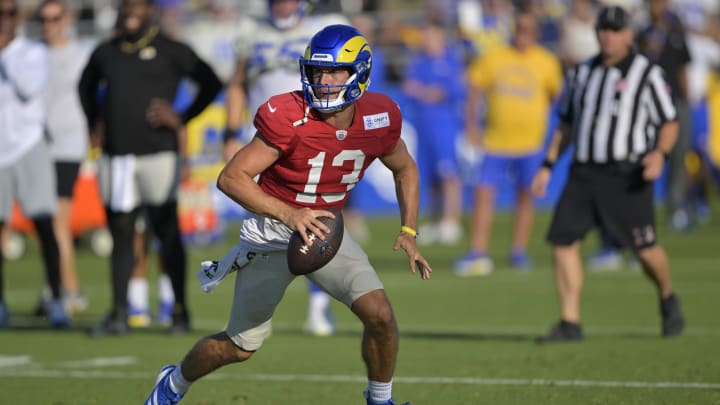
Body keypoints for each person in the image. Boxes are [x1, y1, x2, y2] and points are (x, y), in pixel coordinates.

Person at [144, 24, 430, 405]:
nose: (323, 81)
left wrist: (408, 229)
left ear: (359, 73)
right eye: (317, 71)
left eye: (334, 72)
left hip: (325, 232)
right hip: (272, 234)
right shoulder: (288, 114)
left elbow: (405, 168)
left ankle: (380, 400)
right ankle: (174, 382)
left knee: (380, 315)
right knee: (239, 347)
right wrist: (290, 214)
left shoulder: (380, 115)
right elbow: (231, 178)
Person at [531, 5, 685, 342]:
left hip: (627, 173)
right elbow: (567, 122)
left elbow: (669, 121)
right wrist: (547, 165)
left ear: (629, 35)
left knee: (644, 249)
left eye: (615, 30)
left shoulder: (647, 73)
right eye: (603, 29)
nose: (608, 36)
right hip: (584, 171)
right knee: (562, 241)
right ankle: (570, 321)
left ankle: (667, 295)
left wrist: (660, 153)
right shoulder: (581, 72)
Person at [78, 0, 222, 336]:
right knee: (122, 233)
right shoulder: (107, 52)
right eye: (126, 6)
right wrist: (94, 121)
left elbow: (211, 82)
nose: (130, 12)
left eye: (138, 6)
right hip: (118, 157)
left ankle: (180, 312)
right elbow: (84, 87)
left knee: (166, 232)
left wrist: (181, 118)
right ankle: (118, 313)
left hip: (159, 154)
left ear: (150, 11)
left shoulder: (170, 49)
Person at [223, 0, 348, 337]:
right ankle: (254, 312)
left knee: (319, 222)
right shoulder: (251, 30)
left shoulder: (325, 27)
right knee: (268, 223)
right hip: (265, 139)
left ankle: (318, 306)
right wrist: (231, 131)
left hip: (314, 136)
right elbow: (237, 84)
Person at [454, 9, 563, 275]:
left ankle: (518, 251)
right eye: (519, 29)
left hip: (531, 143)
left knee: (526, 196)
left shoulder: (547, 61)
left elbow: (555, 96)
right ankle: (478, 252)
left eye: (528, 30)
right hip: (495, 141)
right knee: (482, 194)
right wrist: (471, 125)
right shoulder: (495, 57)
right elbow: (475, 91)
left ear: (536, 34)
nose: (522, 35)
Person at [0, 0, 69, 328]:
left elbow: (28, 88)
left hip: (29, 146)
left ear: (17, 18)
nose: (3, 21)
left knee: (43, 224)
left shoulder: (31, 52)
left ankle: (56, 298)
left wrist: (3, 51)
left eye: (8, 14)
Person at [37, 0, 90, 315]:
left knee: (58, 219)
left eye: (55, 18)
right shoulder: (32, 53)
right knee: (45, 220)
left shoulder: (81, 53)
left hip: (67, 145)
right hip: (34, 145)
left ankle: (68, 289)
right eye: (44, 19)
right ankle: (54, 287)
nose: (49, 24)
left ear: (67, 19)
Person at [402, 17, 465, 246]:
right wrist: (428, 92)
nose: (427, 40)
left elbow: (452, 90)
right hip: (423, 125)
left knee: (448, 174)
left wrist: (428, 91)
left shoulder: (451, 61)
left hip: (443, 125)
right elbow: (409, 87)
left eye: (431, 35)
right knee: (428, 177)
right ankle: (436, 221)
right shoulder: (419, 61)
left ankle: (451, 221)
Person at [637, 0, 693, 230]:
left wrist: (686, 100)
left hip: (676, 101)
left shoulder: (676, 33)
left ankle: (676, 207)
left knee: (680, 156)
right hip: (650, 104)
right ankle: (640, 209)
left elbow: (682, 69)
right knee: (645, 155)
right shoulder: (643, 34)